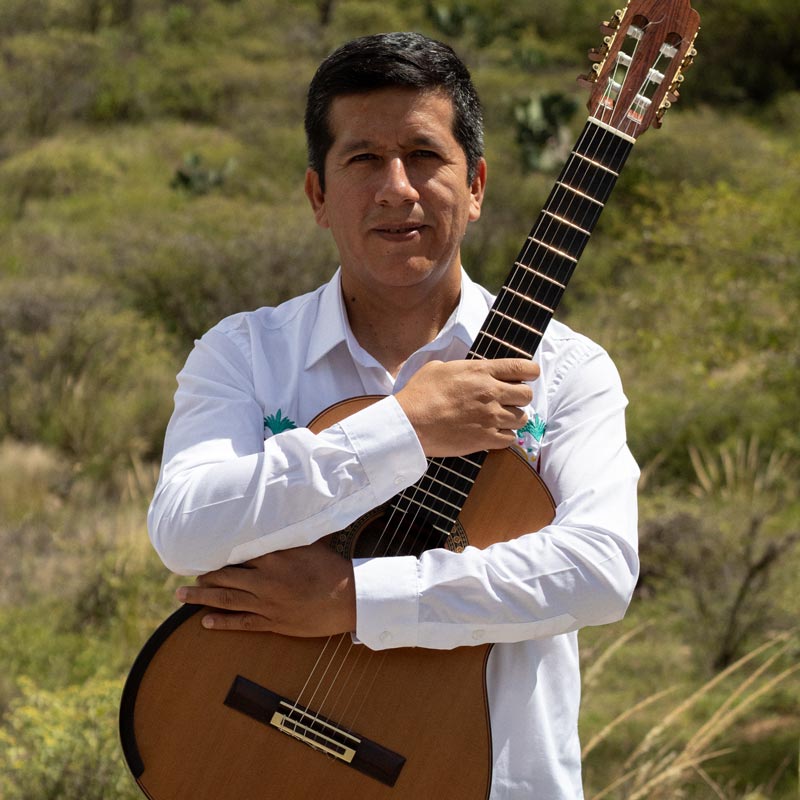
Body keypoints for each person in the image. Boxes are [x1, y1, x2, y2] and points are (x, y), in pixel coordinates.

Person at [148, 31, 639, 799]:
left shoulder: (570, 374)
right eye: (364, 159)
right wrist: (404, 428)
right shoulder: (243, 354)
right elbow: (185, 530)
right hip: (247, 757)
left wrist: (353, 599)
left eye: (423, 154)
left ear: (476, 186)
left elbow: (600, 572)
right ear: (318, 195)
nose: (397, 187)